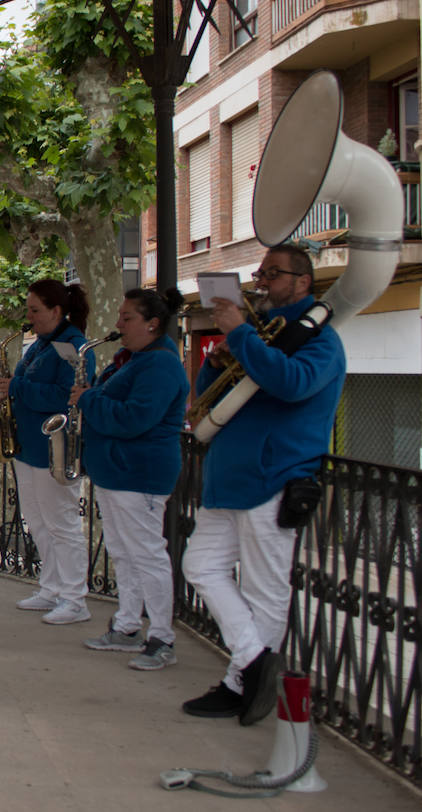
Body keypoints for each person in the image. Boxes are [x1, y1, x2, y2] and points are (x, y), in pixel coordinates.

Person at [182, 244, 344, 725]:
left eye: (273, 274)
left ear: (303, 282)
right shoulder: (259, 336)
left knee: (265, 590)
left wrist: (242, 336)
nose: (262, 281)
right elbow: (209, 398)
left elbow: (291, 384)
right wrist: (219, 359)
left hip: (276, 478)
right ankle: (253, 663)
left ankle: (242, 683)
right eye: (261, 272)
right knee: (200, 566)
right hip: (229, 480)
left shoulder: (320, 341)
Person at [74, 288, 189, 670]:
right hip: (118, 472)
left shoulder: (160, 366)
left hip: (139, 473)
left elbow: (134, 418)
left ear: (152, 324)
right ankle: (126, 626)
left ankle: (161, 637)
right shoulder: (134, 360)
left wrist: (88, 400)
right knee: (124, 552)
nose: (118, 324)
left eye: (127, 318)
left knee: (147, 554)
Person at [5, 279, 96, 625]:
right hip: (29, 445)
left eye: (34, 310)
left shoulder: (73, 345)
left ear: (57, 311)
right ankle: (51, 587)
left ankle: (75, 598)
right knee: (39, 520)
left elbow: (64, 396)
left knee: (62, 523)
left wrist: (16, 386)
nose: (28, 316)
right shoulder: (42, 344)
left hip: (54, 448)